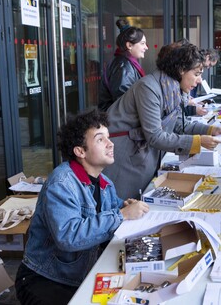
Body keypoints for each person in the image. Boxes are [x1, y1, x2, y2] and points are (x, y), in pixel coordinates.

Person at [15, 109, 149, 305]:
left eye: (108, 137)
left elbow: (112, 209)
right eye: (100, 139)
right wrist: (121, 215)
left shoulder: (104, 182)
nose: (110, 144)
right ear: (80, 151)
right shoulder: (61, 184)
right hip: (44, 279)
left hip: (78, 275)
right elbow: (69, 237)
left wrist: (125, 206)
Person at [103, 43, 221, 199]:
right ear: (181, 69)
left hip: (141, 154)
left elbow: (176, 124)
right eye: (197, 74)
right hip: (125, 157)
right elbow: (155, 135)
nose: (199, 80)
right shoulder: (149, 88)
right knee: (127, 208)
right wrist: (197, 142)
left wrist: (210, 130)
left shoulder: (171, 90)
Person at [98, 19, 148, 111]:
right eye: (142, 43)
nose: (146, 47)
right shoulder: (123, 67)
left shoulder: (125, 63)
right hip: (117, 122)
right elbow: (126, 105)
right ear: (129, 45)